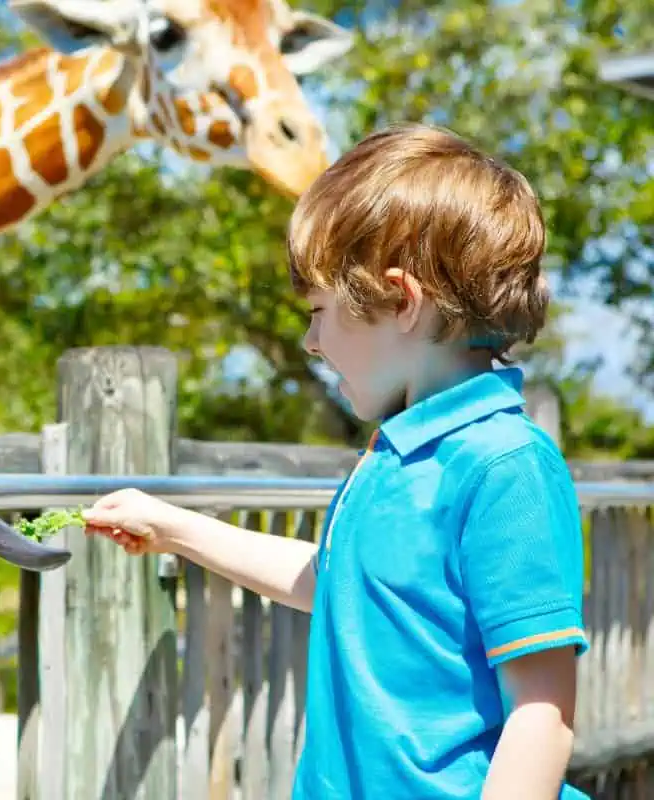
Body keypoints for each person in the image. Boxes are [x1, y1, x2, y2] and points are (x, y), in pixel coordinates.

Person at [83, 122, 589, 799]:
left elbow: (542, 713)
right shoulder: (392, 453)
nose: (312, 342)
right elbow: (340, 585)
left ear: (402, 302)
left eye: (320, 310)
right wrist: (170, 525)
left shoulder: (505, 465)